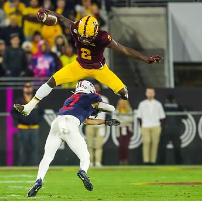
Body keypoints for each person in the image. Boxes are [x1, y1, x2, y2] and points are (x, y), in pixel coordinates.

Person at [14, 7, 163, 117]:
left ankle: (96, 107)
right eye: (82, 35)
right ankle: (29, 107)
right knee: (51, 81)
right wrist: (47, 13)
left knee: (124, 94)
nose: (84, 39)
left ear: (96, 32)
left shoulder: (104, 37)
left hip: (99, 68)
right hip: (79, 65)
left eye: (88, 37)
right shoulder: (76, 28)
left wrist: (146, 59)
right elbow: (60, 18)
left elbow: (124, 50)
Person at [14, 80, 120, 197]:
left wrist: (105, 121)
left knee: (47, 157)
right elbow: (111, 108)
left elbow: (86, 120)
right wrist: (99, 107)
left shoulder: (69, 99)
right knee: (85, 157)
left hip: (57, 123)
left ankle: (38, 180)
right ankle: (82, 171)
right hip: (70, 124)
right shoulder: (91, 97)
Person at [11, 82, 44, 166]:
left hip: (34, 127)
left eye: (29, 87)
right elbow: (13, 112)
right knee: (23, 147)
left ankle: (35, 164)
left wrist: (38, 120)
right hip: (23, 127)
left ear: (32, 88)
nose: (28, 88)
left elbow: (42, 112)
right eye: (26, 87)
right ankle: (21, 164)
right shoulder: (19, 100)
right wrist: (20, 119)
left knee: (35, 146)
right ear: (23, 88)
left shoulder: (36, 100)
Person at [137, 88, 165, 165]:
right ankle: (146, 161)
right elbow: (139, 116)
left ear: (154, 94)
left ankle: (153, 161)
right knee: (147, 142)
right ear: (146, 94)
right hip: (145, 126)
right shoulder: (142, 104)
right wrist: (142, 125)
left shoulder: (158, 104)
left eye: (151, 92)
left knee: (155, 143)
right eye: (148, 92)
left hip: (156, 126)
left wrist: (159, 126)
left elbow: (162, 117)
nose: (150, 94)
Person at [85, 82, 108, 166]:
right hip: (90, 123)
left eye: (98, 87)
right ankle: (90, 162)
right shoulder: (88, 99)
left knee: (99, 145)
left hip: (100, 125)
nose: (96, 89)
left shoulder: (105, 99)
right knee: (89, 145)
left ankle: (98, 161)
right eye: (95, 87)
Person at [159, 94, 184, 164]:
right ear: (174, 100)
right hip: (175, 130)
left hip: (165, 130)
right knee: (177, 147)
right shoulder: (178, 106)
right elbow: (185, 116)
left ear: (166, 100)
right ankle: (179, 162)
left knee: (162, 147)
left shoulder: (163, 107)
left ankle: (161, 163)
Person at [114, 99, 133, 165]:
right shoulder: (116, 111)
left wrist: (121, 119)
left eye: (123, 103)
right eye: (120, 103)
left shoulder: (129, 110)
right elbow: (115, 120)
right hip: (119, 129)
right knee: (121, 146)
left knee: (126, 146)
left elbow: (131, 119)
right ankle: (121, 160)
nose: (122, 104)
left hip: (127, 129)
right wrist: (125, 120)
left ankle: (126, 160)